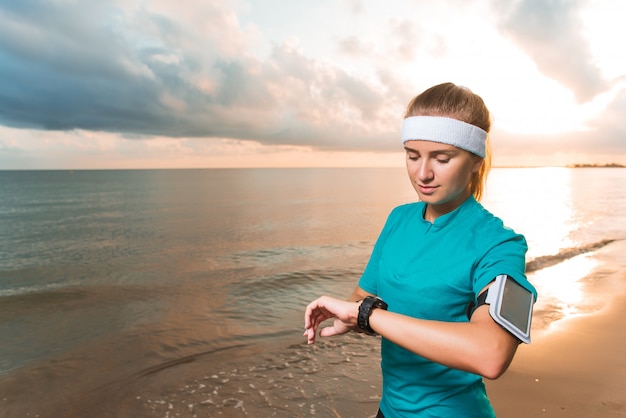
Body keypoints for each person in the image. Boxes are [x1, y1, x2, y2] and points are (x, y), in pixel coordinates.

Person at [304, 82, 537, 417]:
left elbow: (492, 354)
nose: (422, 173)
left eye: (442, 158)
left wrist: (367, 316)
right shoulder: (398, 219)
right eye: (412, 156)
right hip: (389, 410)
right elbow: (366, 298)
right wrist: (350, 317)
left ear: (475, 160)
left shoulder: (500, 244)